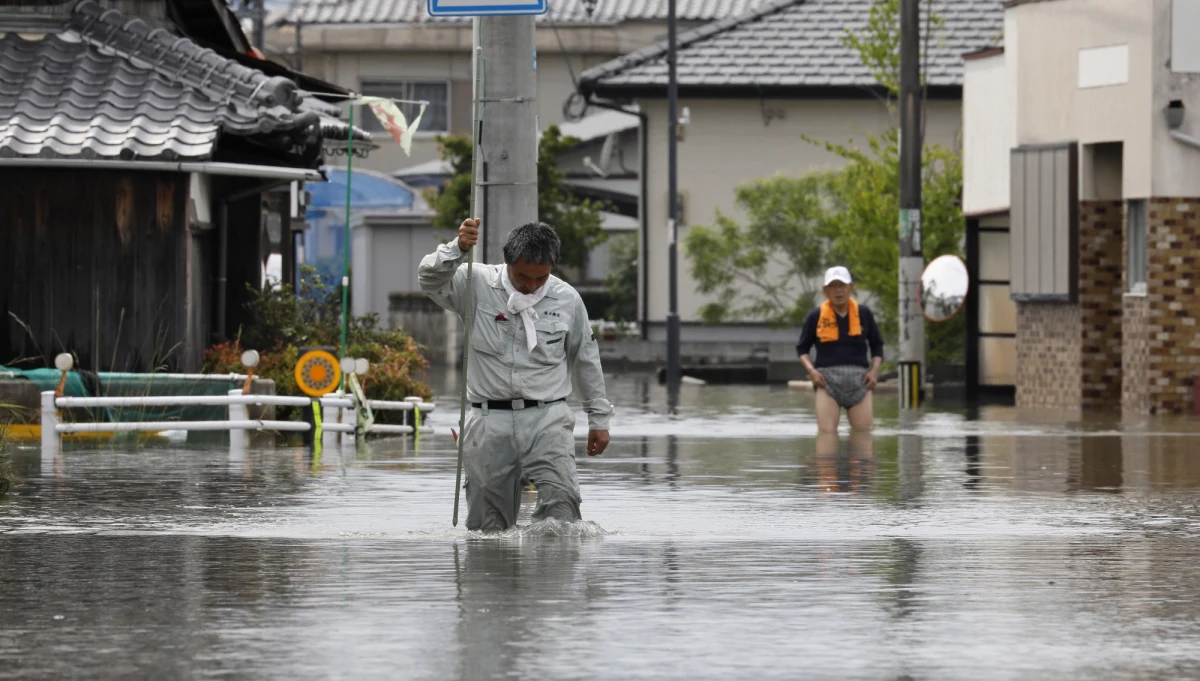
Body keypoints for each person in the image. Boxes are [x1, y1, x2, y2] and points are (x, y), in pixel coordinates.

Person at [419, 217, 614, 532]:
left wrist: (599, 420)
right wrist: (459, 248)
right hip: (487, 419)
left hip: (548, 415)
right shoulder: (474, 283)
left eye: (541, 277)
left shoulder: (568, 299)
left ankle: (552, 578)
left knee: (562, 511)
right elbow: (429, 279)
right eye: (523, 276)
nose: (532, 285)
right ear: (508, 261)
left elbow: (586, 359)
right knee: (488, 527)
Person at [796, 266, 885, 434]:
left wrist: (874, 372)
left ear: (850, 287)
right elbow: (802, 348)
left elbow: (877, 345)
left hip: (860, 381)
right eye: (833, 286)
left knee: (863, 437)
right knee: (826, 437)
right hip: (827, 381)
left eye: (842, 285)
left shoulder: (864, 313)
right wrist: (812, 372)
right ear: (825, 290)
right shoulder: (815, 316)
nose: (838, 291)